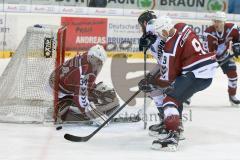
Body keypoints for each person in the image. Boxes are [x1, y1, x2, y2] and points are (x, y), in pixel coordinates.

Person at [139, 16, 218, 151]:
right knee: (177, 93)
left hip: (196, 74)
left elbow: (167, 80)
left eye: (159, 34)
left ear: (164, 32)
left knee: (169, 99)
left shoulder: (170, 48)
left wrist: (152, 82)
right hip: (205, 67)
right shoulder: (182, 26)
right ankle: (177, 126)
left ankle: (172, 137)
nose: (160, 36)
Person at [138, 10, 185, 140]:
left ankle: (177, 125)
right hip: (166, 65)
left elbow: (154, 28)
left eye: (141, 25)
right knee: (150, 86)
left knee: (167, 93)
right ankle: (166, 121)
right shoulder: (151, 31)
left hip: (174, 67)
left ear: (145, 23)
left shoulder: (152, 26)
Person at [49, 44, 118, 125]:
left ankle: (63, 107)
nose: (99, 65)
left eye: (101, 63)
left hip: (62, 81)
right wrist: (96, 116)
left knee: (98, 91)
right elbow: (80, 99)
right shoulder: (83, 71)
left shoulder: (89, 57)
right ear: (91, 57)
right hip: (59, 88)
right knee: (81, 100)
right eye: (98, 61)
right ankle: (57, 110)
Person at [203, 11, 240, 106]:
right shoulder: (208, 32)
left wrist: (237, 46)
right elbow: (207, 50)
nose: (217, 24)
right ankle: (188, 96)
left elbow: (237, 39)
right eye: (215, 21)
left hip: (225, 56)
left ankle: (232, 96)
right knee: (198, 77)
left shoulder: (232, 28)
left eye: (219, 21)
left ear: (224, 22)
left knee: (233, 75)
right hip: (210, 57)